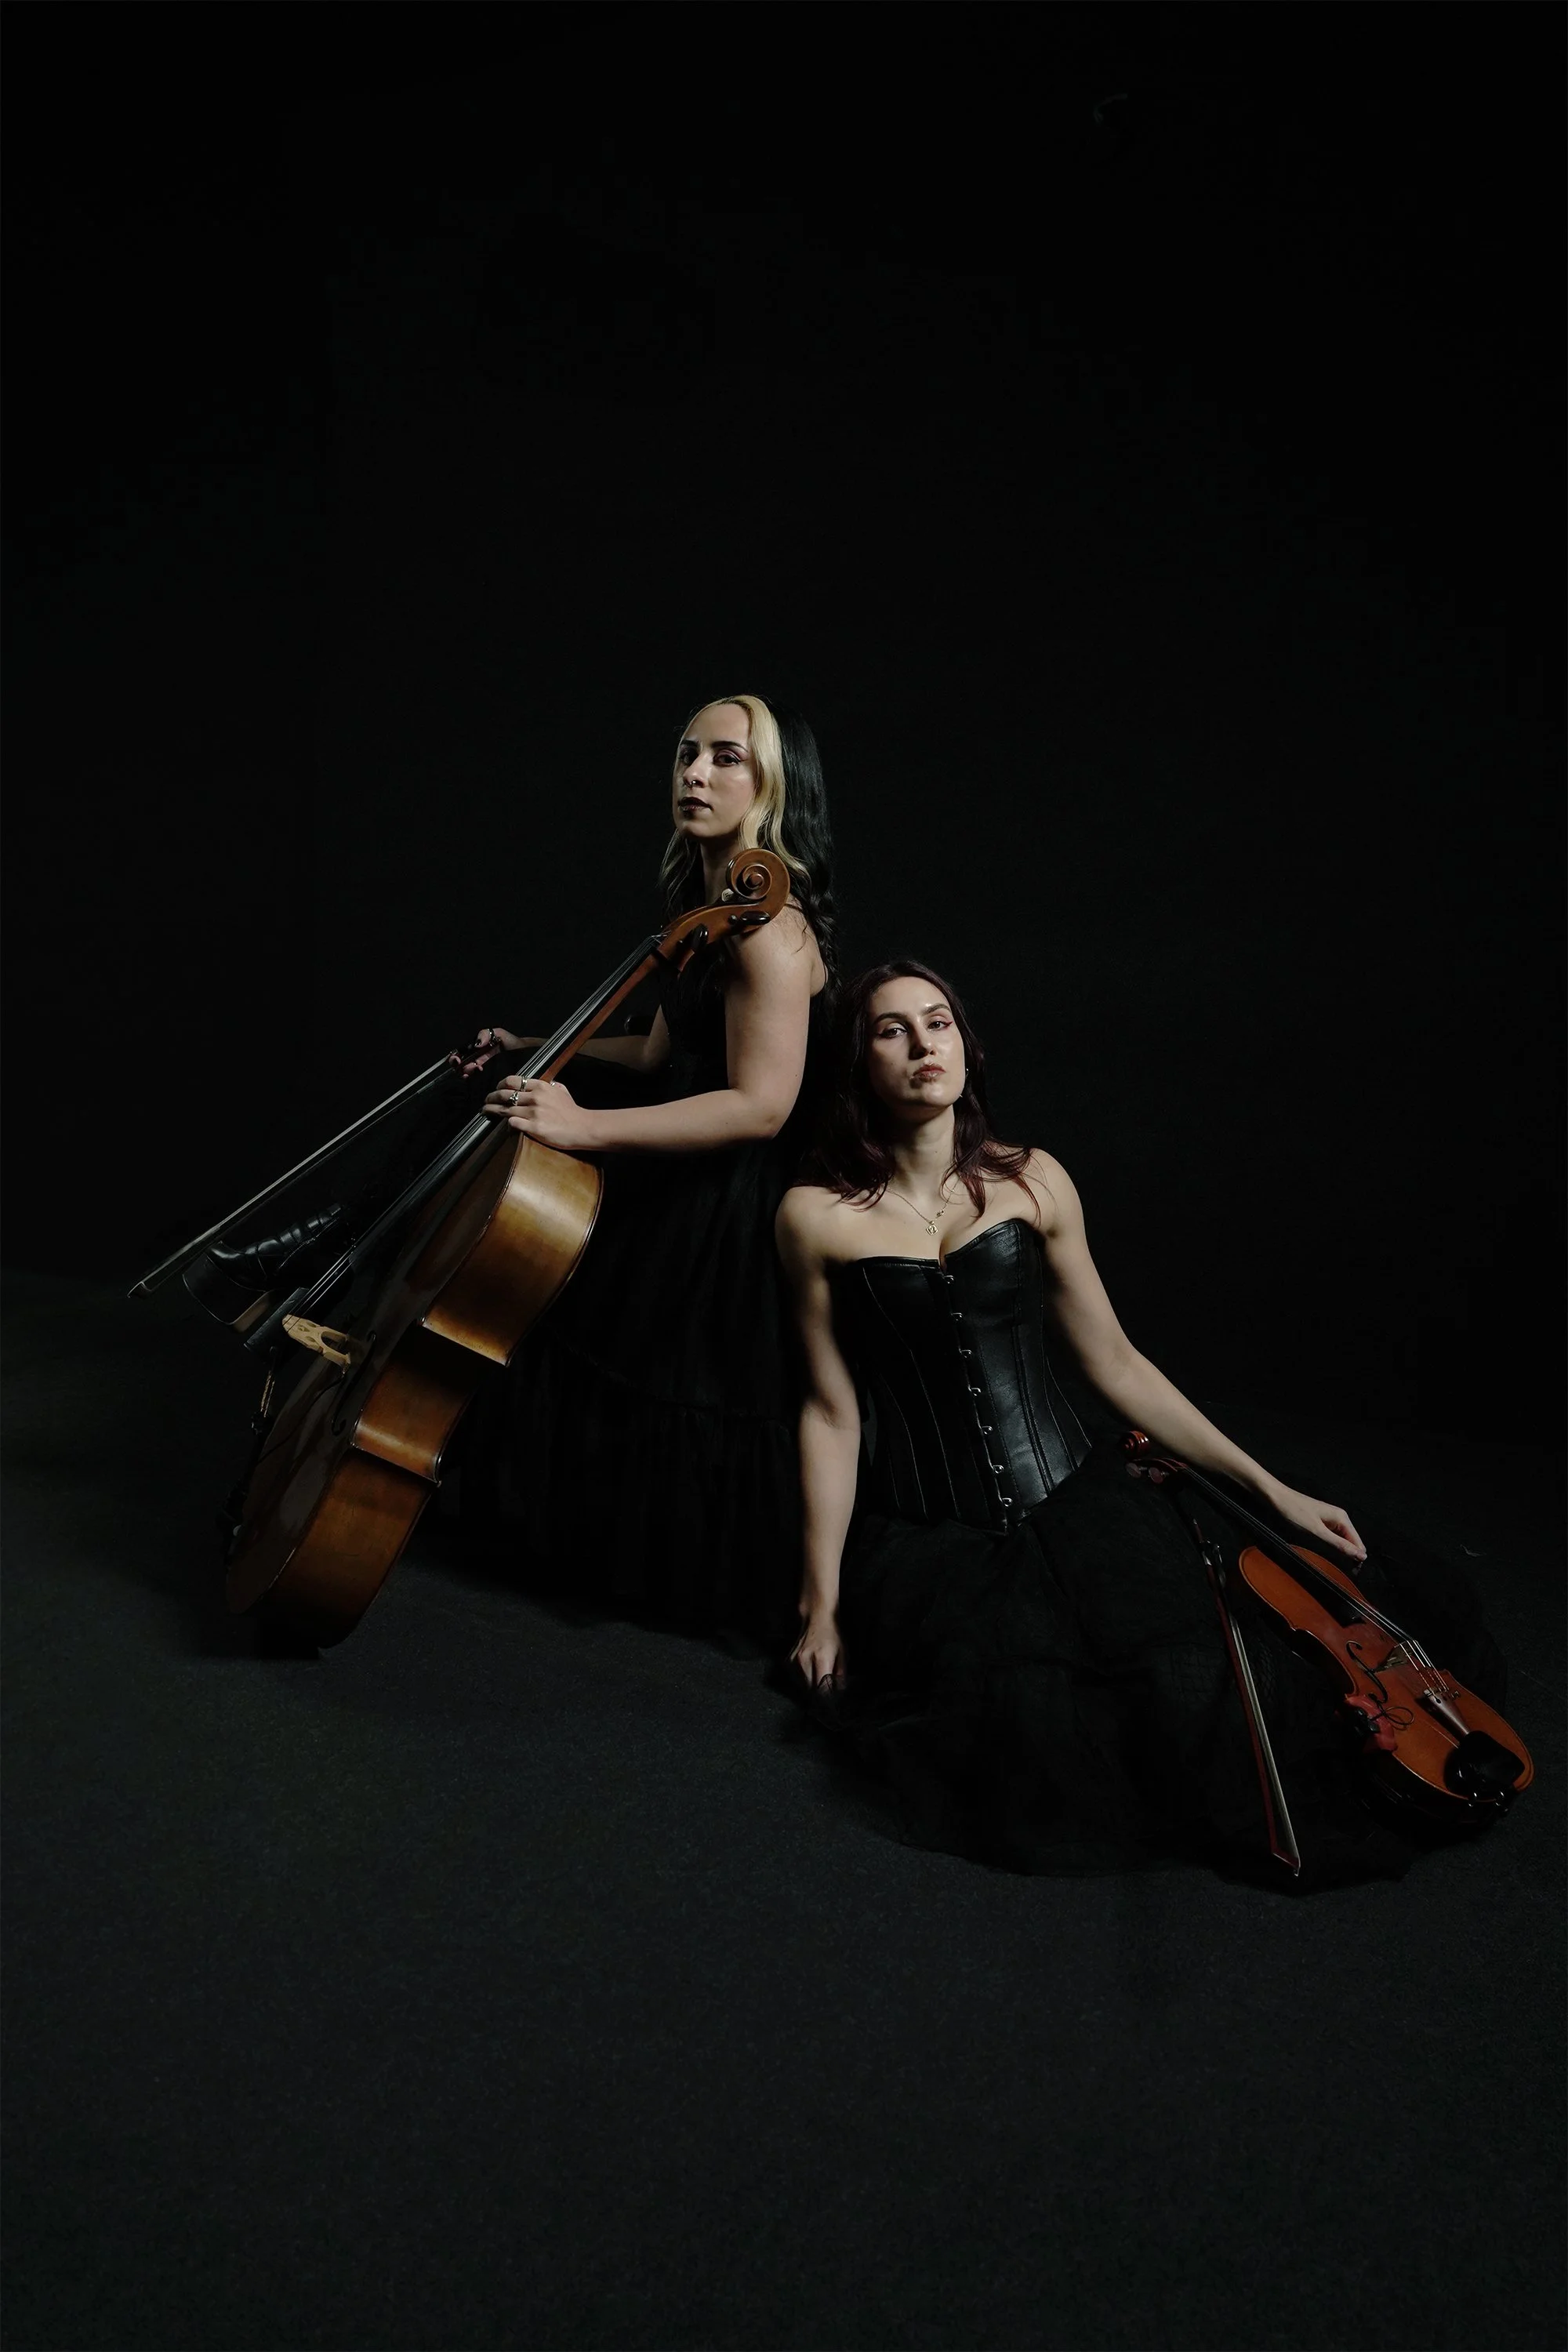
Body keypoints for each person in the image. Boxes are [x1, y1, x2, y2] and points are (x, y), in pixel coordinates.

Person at [775, 960, 1509, 1884]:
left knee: (1200, 1688)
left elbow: (1114, 1362)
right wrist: (822, 1602)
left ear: (966, 1043)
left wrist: (1268, 1486)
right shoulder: (812, 1218)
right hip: (934, 1537)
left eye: (939, 1022)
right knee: (1018, 1735)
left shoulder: (1033, 1182)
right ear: (857, 1061)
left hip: (1078, 1508)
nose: (925, 1046)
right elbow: (830, 1412)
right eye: (892, 1030)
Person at [463, 695, 834, 1644]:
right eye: (685, 755)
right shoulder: (705, 909)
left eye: (726, 759)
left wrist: (584, 1129)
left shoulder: (770, 934)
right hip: (676, 1133)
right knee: (489, 1115)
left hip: (726, 1194)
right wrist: (541, 1046)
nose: (695, 774)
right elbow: (660, 1054)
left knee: (642, 1351)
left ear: (772, 789)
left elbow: (760, 1105)